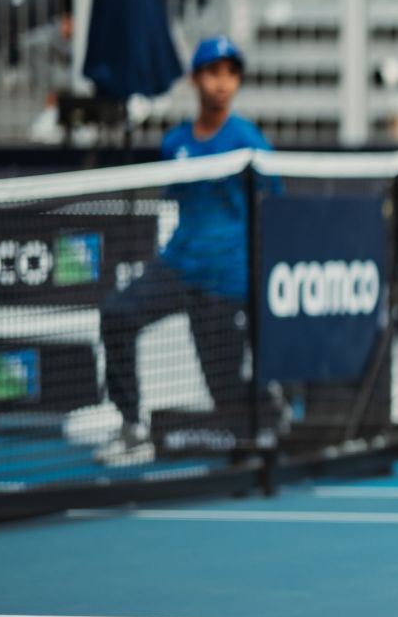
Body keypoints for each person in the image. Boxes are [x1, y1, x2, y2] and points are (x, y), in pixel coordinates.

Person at [95, 38, 277, 465]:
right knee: (118, 314)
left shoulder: (248, 139)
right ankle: (132, 428)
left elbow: (273, 204)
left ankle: (272, 408)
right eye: (213, 72)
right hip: (178, 268)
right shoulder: (175, 142)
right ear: (196, 79)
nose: (222, 83)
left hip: (227, 281)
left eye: (230, 74)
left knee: (228, 397)